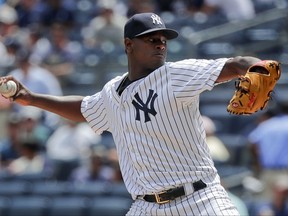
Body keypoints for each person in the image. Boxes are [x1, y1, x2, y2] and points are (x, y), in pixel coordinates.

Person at [0, 12, 277, 215]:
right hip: (145, 207)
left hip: (200, 200)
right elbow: (84, 108)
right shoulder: (112, 91)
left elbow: (236, 64)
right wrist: (30, 98)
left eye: (163, 39)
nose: (160, 44)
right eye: (151, 39)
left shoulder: (175, 75)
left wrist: (258, 66)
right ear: (128, 45)